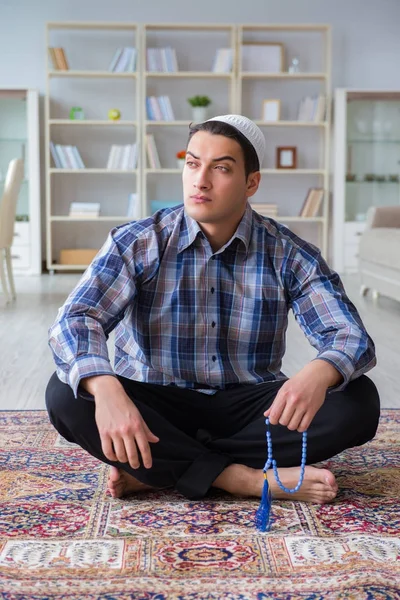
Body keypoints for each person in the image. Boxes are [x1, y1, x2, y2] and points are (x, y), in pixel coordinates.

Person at [46, 114, 380, 505]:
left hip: (251, 405)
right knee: (66, 395)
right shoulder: (137, 242)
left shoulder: (289, 252)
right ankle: (246, 479)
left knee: (358, 402)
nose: (200, 180)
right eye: (192, 163)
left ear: (251, 182)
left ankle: (165, 469)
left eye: (220, 168)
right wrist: (105, 388)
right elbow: (76, 318)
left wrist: (318, 374)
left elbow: (350, 335)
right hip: (157, 401)